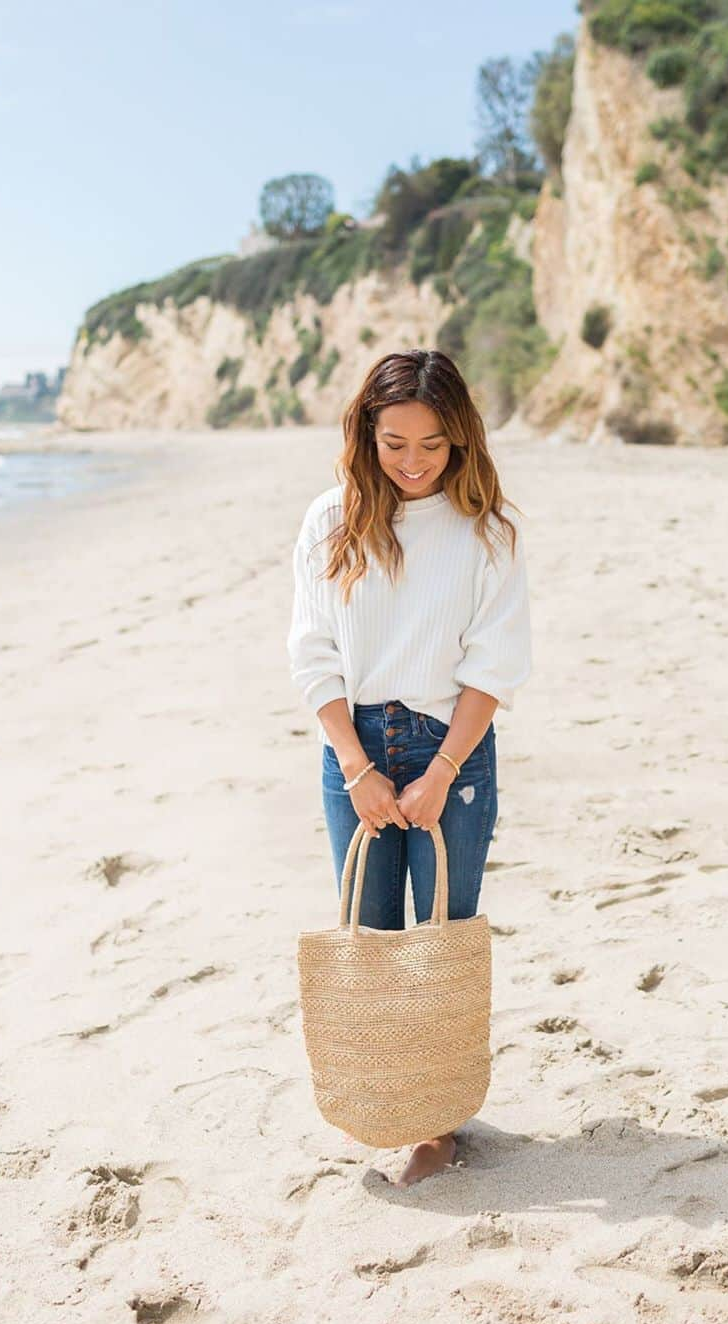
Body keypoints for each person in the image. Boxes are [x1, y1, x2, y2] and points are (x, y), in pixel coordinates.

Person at [287, 348, 533, 1187]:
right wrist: (356, 767)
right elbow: (312, 653)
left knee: (443, 931)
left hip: (450, 750)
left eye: (432, 443)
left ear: (460, 438)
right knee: (369, 931)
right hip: (352, 748)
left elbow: (494, 666)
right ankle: (389, 1093)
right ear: (366, 434)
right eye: (394, 444)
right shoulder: (331, 519)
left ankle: (436, 1125)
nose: (414, 462)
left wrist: (441, 772)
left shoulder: (488, 529)